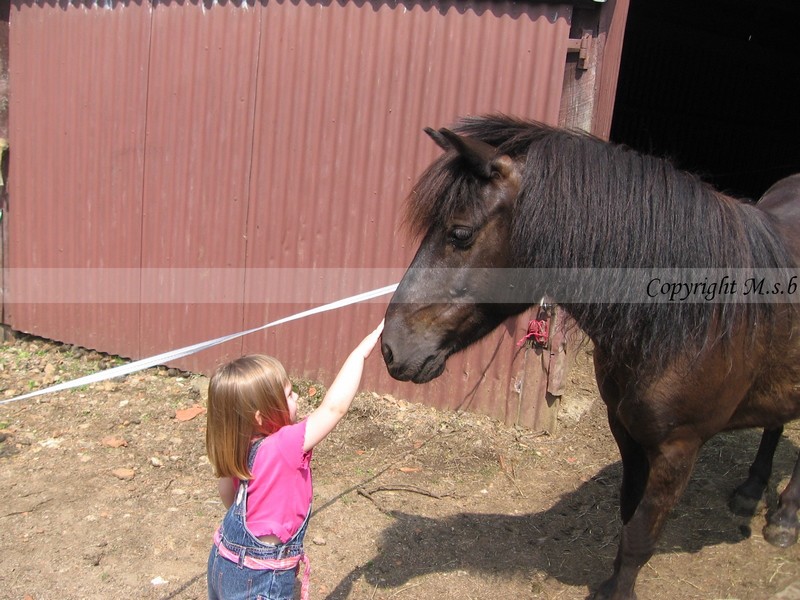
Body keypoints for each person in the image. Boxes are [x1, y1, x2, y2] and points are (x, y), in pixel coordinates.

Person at [205, 321, 384, 600]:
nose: (297, 396)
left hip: (223, 562)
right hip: (261, 577)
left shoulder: (238, 446)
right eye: (289, 394)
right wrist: (360, 353)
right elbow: (334, 407)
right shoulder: (283, 445)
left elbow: (228, 494)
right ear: (260, 417)